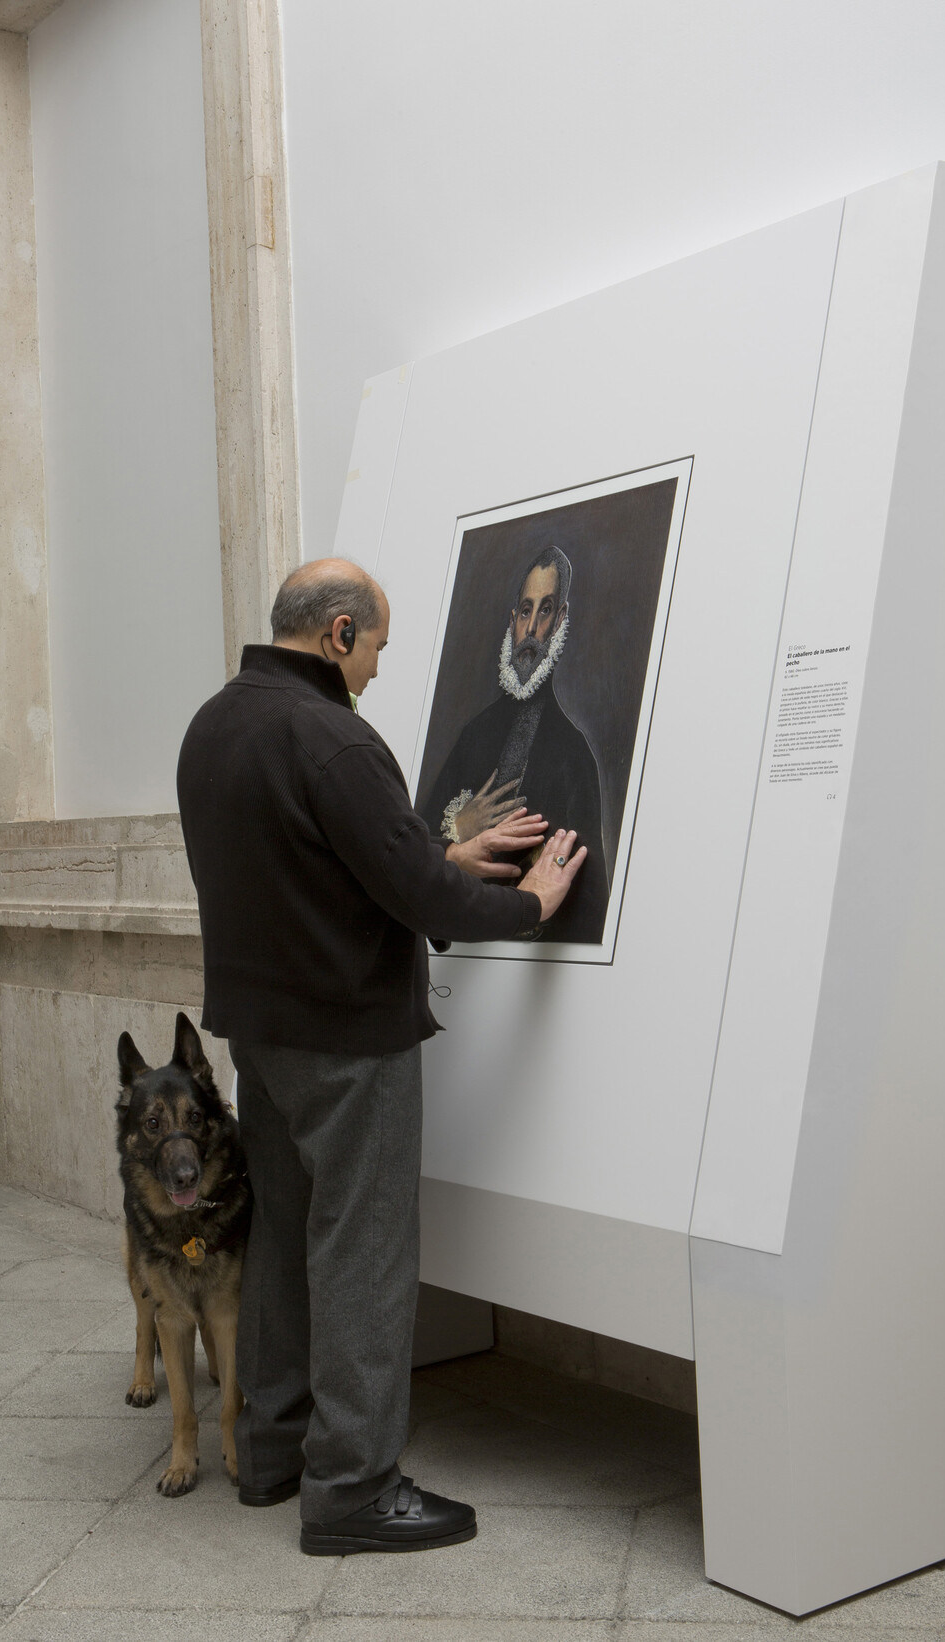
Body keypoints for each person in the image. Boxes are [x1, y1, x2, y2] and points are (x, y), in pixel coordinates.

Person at [176, 557, 585, 1557]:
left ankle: (270, 1456)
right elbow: (423, 900)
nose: (375, 672)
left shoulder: (213, 726)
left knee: (281, 1240)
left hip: (263, 1037)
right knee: (363, 1253)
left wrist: (432, 857)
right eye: (375, 651)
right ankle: (353, 1489)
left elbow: (312, 869)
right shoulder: (337, 739)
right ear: (340, 632)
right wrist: (530, 902)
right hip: (349, 1039)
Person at [418, 545, 609, 943]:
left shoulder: (575, 756)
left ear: (560, 619)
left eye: (545, 610)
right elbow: (409, 856)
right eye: (525, 611)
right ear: (512, 620)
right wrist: (459, 828)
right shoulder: (473, 735)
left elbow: (592, 910)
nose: (532, 629)